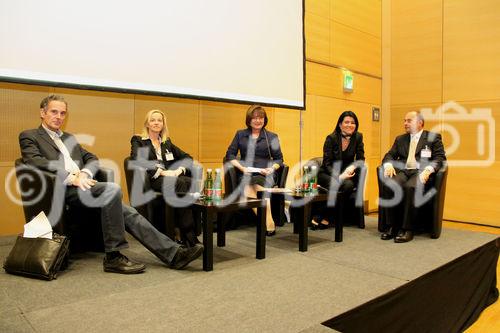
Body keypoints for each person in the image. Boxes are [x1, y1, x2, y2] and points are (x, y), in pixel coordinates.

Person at [19, 95, 203, 274]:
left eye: (62, 113)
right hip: (58, 189)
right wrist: (71, 177)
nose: (58, 117)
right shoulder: (30, 136)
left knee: (129, 212)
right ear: (42, 113)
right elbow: (35, 162)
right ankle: (113, 256)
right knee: (112, 189)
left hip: (84, 185)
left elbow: (91, 158)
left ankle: (173, 254)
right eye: (54, 112)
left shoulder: (69, 138)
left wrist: (84, 173)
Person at [130, 109, 200, 247]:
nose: (156, 123)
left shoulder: (166, 142)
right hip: (151, 180)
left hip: (169, 180)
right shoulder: (138, 140)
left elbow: (187, 157)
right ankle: (189, 235)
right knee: (180, 183)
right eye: (153, 120)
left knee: (189, 182)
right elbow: (137, 160)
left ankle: (183, 229)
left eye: (159, 120)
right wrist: (162, 173)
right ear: (147, 124)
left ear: (163, 124)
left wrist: (180, 169)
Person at [380, 111, 446, 243]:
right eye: (404, 120)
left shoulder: (433, 137)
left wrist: (428, 170)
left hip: (421, 172)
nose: (405, 123)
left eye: (409, 120)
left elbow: (440, 158)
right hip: (404, 171)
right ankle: (392, 226)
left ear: (420, 123)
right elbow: (389, 155)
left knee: (411, 187)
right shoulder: (400, 139)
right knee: (390, 185)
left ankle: (408, 229)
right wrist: (387, 165)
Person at [225, 105, 284, 236]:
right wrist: (242, 168)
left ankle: (267, 222)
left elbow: (279, 159)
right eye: (255, 118)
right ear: (249, 119)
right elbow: (230, 155)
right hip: (246, 173)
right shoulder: (240, 134)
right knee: (247, 186)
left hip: (265, 174)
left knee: (257, 186)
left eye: (261, 118)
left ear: (265, 120)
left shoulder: (272, 136)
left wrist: (272, 168)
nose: (258, 121)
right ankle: (268, 222)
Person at [312, 111, 365, 229]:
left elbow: (361, 159)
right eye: (346, 122)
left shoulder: (358, 137)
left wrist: (351, 168)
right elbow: (326, 164)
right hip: (327, 173)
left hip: (348, 173)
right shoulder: (331, 138)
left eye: (353, 123)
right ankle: (326, 217)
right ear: (340, 124)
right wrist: (339, 176)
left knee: (348, 186)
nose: (350, 125)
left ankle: (322, 215)